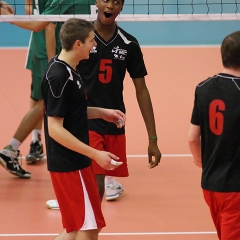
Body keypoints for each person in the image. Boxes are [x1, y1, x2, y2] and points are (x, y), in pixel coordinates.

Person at [46, 0, 161, 209]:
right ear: (97, 2)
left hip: (113, 120)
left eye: (116, 2)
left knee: (98, 179)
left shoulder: (129, 44)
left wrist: (152, 137)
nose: (110, 6)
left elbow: (141, 90)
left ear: (122, 7)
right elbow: (62, 71)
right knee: (95, 184)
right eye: (106, 0)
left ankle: (82, 207)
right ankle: (85, 221)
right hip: (85, 121)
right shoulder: (82, 39)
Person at [42, 18, 125, 240]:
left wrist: (102, 112)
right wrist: (95, 153)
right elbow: (54, 129)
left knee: (80, 226)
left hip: (77, 162)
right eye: (91, 41)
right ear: (78, 44)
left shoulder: (69, 69)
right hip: (70, 164)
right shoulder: (59, 76)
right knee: (86, 228)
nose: (95, 46)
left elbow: (73, 110)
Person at [0, 0, 95, 177]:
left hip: (56, 50)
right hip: (48, 49)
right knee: (45, 103)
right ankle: (12, 148)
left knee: (42, 100)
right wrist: (54, 65)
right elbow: (45, 25)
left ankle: (29, 144)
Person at [188, 31, 240, 239]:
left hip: (211, 185)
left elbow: (192, 138)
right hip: (235, 188)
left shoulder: (203, 88)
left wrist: (203, 162)